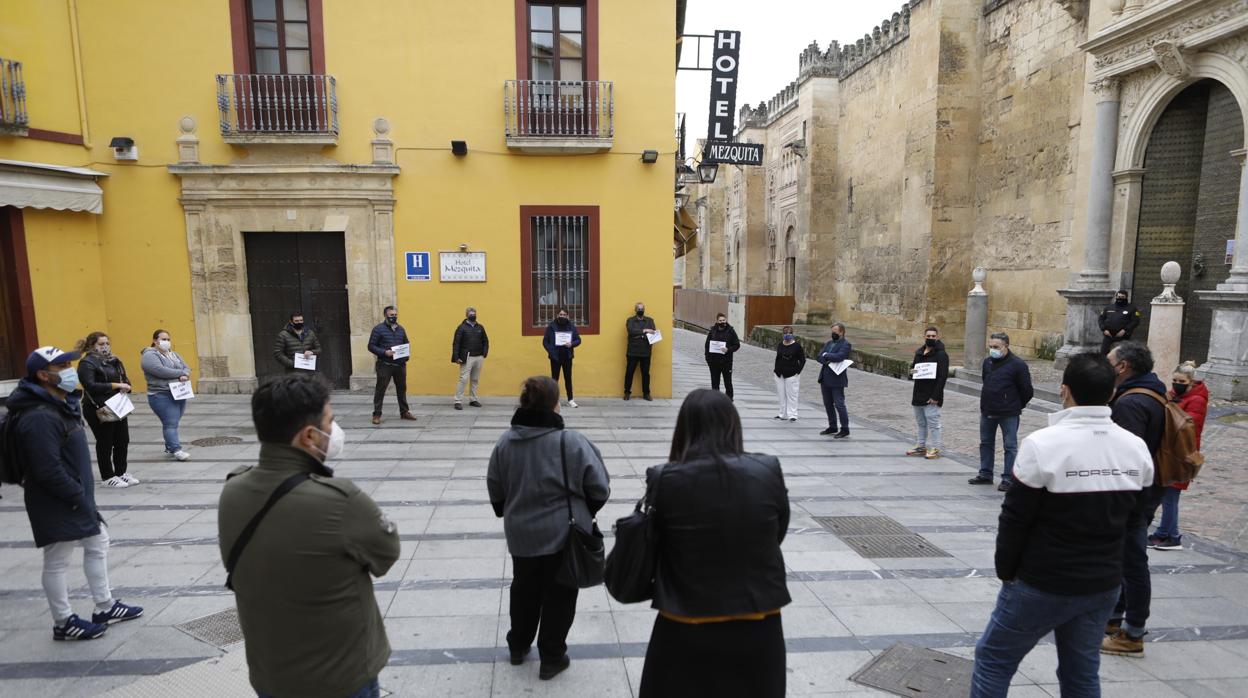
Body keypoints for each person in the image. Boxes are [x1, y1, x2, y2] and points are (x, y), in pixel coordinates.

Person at [971, 353, 1154, 697]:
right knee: (1081, 671)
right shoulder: (1136, 449)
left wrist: (1007, 572)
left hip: (1043, 581)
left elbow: (1015, 518)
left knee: (994, 659)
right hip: (1102, 582)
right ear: (1112, 393)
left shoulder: (1043, 444)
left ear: (1064, 391)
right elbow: (1136, 520)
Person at [218, 374, 400, 698]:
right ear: (309, 436)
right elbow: (386, 554)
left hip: (270, 675)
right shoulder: (340, 500)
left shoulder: (233, 488)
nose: (335, 430)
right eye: (330, 421)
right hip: (341, 678)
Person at [639, 389, 790, 698]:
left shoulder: (664, 478)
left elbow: (652, 545)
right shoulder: (767, 470)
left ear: (683, 428)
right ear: (733, 425)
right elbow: (777, 534)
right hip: (757, 626)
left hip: (684, 625)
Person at [10, 346, 143, 641]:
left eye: (70, 363)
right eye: (63, 367)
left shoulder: (61, 402)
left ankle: (105, 606)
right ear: (43, 375)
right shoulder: (39, 416)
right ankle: (63, 622)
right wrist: (76, 495)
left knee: (98, 543)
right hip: (58, 499)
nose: (71, 371)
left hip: (75, 496)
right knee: (57, 559)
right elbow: (46, 469)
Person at [487, 376, 610, 681]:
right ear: (555, 404)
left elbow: (496, 487)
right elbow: (599, 487)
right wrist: (586, 510)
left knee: (524, 589)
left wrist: (510, 509)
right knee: (560, 595)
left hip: (521, 534)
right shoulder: (571, 442)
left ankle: (518, 646)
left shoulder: (506, 441)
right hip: (563, 534)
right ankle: (552, 658)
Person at [1102, 340, 1167, 658]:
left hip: (1133, 497)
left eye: (1109, 360)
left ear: (1122, 367)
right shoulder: (1153, 391)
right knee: (1126, 559)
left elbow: (1126, 458)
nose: (1106, 365)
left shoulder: (1130, 404)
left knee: (1132, 562)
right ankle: (1115, 619)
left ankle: (1132, 633)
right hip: (1147, 491)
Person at [1151, 361, 1208, 551]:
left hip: (1182, 453)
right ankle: (1162, 533)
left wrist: (1168, 409)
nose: (1176, 383)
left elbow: (1187, 425)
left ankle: (1173, 537)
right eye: (1174, 380)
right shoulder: (1174, 395)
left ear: (1190, 382)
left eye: (1181, 381)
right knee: (1167, 494)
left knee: (1171, 496)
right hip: (1170, 451)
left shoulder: (1197, 400)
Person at [969, 332, 1033, 491]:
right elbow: (986, 381)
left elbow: (1026, 390)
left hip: (1009, 412)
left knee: (1010, 446)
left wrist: (1015, 404)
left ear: (1006, 347)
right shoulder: (987, 362)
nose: (993, 350)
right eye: (990, 347)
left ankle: (1008, 479)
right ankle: (985, 473)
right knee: (985, 443)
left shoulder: (1018, 365)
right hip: (988, 410)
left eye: (996, 347)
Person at [77, 332, 137, 488]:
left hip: (118, 405)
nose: (105, 347)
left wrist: (126, 386)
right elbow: (91, 386)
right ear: (92, 346)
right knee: (105, 442)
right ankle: (107, 476)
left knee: (122, 440)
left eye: (106, 343)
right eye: (101, 344)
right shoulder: (87, 363)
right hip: (99, 407)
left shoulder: (114, 360)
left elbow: (124, 378)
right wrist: (116, 386)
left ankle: (121, 473)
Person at [142, 329, 193, 461]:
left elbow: (186, 367)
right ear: (155, 341)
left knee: (174, 421)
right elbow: (160, 370)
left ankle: (170, 445)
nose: (166, 342)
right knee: (170, 422)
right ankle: (176, 449)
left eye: (168, 339)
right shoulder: (149, 355)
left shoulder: (173, 354)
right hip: (161, 394)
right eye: (163, 339)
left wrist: (185, 373)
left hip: (178, 392)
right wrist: (180, 374)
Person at [367, 306, 416, 425]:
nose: (394, 317)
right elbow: (371, 346)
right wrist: (384, 352)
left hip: (400, 364)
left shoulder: (401, 329)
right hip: (385, 364)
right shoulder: (378, 329)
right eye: (391, 315)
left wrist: (405, 356)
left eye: (395, 315)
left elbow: (406, 343)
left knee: (401, 389)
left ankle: (404, 412)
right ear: (385, 315)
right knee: (380, 390)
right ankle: (377, 414)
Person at [907, 326, 950, 460]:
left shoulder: (941, 355)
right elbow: (913, 370)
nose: (930, 338)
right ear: (924, 336)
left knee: (933, 423)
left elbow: (942, 377)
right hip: (918, 393)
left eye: (933, 336)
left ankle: (936, 447)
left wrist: (936, 396)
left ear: (937, 337)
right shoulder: (919, 353)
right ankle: (921, 446)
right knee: (921, 422)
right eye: (928, 336)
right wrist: (911, 372)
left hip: (932, 395)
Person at [816, 323, 852, 438]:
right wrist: (826, 359)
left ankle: (845, 428)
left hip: (837, 379)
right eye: (832, 331)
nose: (833, 333)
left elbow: (840, 357)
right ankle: (832, 426)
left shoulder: (846, 344)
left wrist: (826, 355)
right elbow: (819, 356)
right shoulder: (828, 343)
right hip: (825, 378)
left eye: (835, 331)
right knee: (828, 404)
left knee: (839, 404)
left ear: (841, 332)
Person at [451, 306, 489, 410]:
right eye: (471, 314)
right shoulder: (461, 328)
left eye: (474, 314)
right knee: (463, 379)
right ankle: (458, 401)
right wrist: (456, 357)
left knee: (475, 379)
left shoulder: (480, 327)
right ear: (467, 315)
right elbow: (456, 343)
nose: (473, 316)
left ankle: (473, 399)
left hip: (479, 356)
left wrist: (484, 353)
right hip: (466, 357)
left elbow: (486, 341)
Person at [542, 309, 582, 408]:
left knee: (568, 378)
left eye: (564, 314)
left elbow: (578, 340)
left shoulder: (571, 326)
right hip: (555, 357)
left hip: (567, 357)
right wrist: (551, 351)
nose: (562, 316)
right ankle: (554, 401)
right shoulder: (551, 326)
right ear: (557, 315)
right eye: (561, 314)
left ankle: (570, 399)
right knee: (554, 379)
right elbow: (545, 341)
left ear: (567, 316)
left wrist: (571, 344)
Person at [704, 313, 741, 400]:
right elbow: (707, 345)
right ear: (717, 321)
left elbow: (737, 345)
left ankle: (729, 399)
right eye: (720, 320)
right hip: (714, 362)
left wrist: (728, 349)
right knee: (715, 382)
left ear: (726, 320)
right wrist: (708, 358)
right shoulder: (712, 330)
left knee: (727, 382)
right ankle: (715, 399)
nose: (722, 322)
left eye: (723, 320)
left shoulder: (730, 331)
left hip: (726, 362)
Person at [624, 302, 657, 401]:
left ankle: (646, 393)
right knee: (629, 372)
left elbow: (653, 332)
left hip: (646, 351)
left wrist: (639, 334)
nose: (640, 310)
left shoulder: (650, 320)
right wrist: (645, 331)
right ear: (635, 310)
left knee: (646, 373)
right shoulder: (630, 320)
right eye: (638, 309)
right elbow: (631, 331)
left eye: (642, 308)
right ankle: (627, 392)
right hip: (632, 351)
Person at [773, 326, 805, 421]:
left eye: (789, 333)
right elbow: (777, 358)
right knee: (781, 395)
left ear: (792, 334)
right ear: (782, 334)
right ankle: (782, 414)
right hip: (779, 373)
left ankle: (793, 414)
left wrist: (797, 372)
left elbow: (802, 360)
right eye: (785, 333)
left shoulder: (797, 346)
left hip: (792, 373)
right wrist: (776, 369)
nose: (787, 335)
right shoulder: (780, 345)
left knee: (792, 395)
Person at [1099, 290, 1141, 356]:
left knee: (1121, 355)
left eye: (1122, 297)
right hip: (1108, 335)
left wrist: (1125, 330)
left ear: (1126, 297)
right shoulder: (1108, 307)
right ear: (1116, 297)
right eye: (1118, 296)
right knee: (1103, 354)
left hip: (1123, 336)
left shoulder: (1132, 308)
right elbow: (1101, 319)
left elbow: (1135, 321)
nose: (1120, 298)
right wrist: (1104, 329)